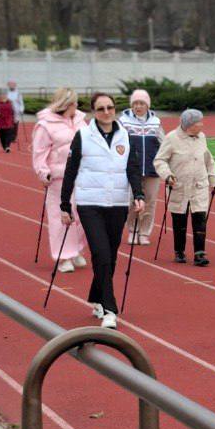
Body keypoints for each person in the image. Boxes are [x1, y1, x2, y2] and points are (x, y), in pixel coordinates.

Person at [59, 91, 145, 328]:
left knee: (111, 256)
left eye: (110, 107)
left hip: (117, 203)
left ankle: (96, 297)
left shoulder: (126, 136)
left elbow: (133, 169)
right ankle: (110, 310)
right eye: (101, 109)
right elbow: (71, 170)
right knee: (101, 253)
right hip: (90, 204)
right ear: (93, 112)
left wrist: (138, 193)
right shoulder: (84, 136)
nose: (106, 112)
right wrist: (64, 204)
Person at [152, 108, 215, 266]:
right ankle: (179, 251)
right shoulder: (171, 138)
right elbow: (159, 161)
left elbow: (208, 159)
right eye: (199, 122)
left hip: (199, 186)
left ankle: (199, 253)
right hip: (179, 186)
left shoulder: (201, 137)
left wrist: (213, 179)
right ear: (189, 124)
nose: (202, 125)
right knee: (179, 220)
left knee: (200, 220)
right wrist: (167, 175)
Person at [32, 88, 89, 274]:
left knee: (84, 215)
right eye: (74, 103)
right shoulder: (45, 125)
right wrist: (43, 172)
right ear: (66, 104)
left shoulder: (81, 120)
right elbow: (39, 153)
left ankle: (77, 249)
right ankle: (64, 256)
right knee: (62, 217)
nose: (77, 106)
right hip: (59, 177)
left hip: (83, 175)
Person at [120, 89, 165, 245]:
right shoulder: (123, 121)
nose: (138, 106)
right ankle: (133, 230)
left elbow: (163, 144)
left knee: (150, 201)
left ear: (147, 105)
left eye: (141, 103)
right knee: (133, 201)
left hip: (152, 170)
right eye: (135, 103)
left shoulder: (156, 122)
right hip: (133, 170)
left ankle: (144, 233)